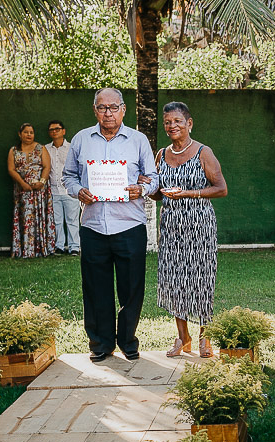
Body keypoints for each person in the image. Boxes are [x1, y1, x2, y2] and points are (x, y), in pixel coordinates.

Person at [62, 87, 158, 362]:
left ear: (123, 110)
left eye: (113, 107)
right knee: (96, 288)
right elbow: (68, 176)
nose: (108, 113)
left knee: (131, 288)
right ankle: (101, 344)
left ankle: (128, 340)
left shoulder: (138, 140)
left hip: (129, 224)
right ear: (95, 110)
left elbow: (153, 178)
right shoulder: (81, 139)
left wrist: (142, 189)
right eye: (102, 107)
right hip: (93, 226)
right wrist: (78, 190)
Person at [147, 101, 227, 359]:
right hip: (170, 226)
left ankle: (205, 337)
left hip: (199, 224)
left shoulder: (203, 152)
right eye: (168, 122)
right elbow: (159, 196)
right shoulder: (161, 155)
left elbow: (221, 188)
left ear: (189, 123)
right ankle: (183, 337)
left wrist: (189, 193)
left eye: (177, 121)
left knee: (201, 277)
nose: (172, 126)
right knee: (174, 279)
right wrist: (150, 189)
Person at [7, 122, 54, 259]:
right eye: (26, 132)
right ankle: (25, 249)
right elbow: (11, 169)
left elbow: (46, 167)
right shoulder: (14, 150)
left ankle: (40, 248)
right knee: (24, 217)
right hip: (22, 190)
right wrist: (22, 184)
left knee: (39, 216)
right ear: (20, 134)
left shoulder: (41, 148)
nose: (29, 135)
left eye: (31, 132)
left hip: (39, 189)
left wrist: (41, 182)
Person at [45, 120, 79, 255]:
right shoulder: (46, 148)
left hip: (69, 190)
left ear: (63, 131)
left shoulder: (72, 147)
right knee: (56, 220)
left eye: (57, 129)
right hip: (53, 190)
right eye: (51, 130)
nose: (54, 131)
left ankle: (74, 247)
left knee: (72, 220)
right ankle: (59, 246)